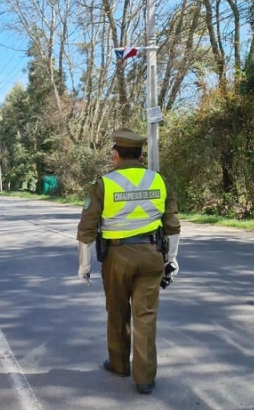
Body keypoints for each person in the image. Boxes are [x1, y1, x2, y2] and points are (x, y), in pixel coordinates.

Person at [76, 128, 181, 395]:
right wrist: (171, 259)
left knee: (118, 311)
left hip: (117, 258)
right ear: (141, 153)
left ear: (115, 155)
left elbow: (87, 229)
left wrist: (84, 266)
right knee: (145, 316)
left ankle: (120, 364)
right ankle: (144, 378)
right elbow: (172, 226)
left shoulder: (104, 184)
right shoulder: (158, 180)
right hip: (152, 255)